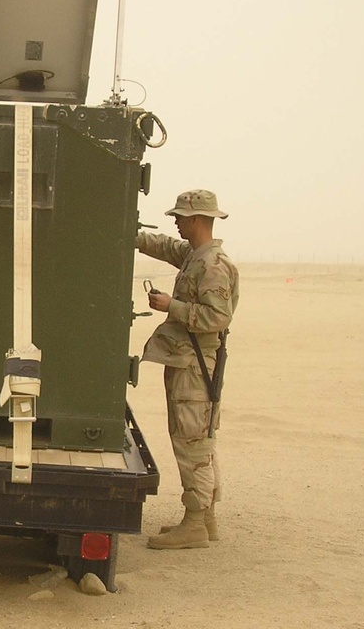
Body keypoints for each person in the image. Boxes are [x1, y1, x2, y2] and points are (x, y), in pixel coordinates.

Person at [137, 189, 239, 550]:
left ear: (196, 219)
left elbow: (216, 317)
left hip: (195, 366)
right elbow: (165, 247)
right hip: (188, 361)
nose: (176, 223)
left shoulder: (213, 265)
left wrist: (172, 306)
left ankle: (195, 523)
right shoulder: (196, 256)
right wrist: (132, 233)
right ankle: (205, 518)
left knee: (192, 441)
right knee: (200, 440)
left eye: (180, 217)